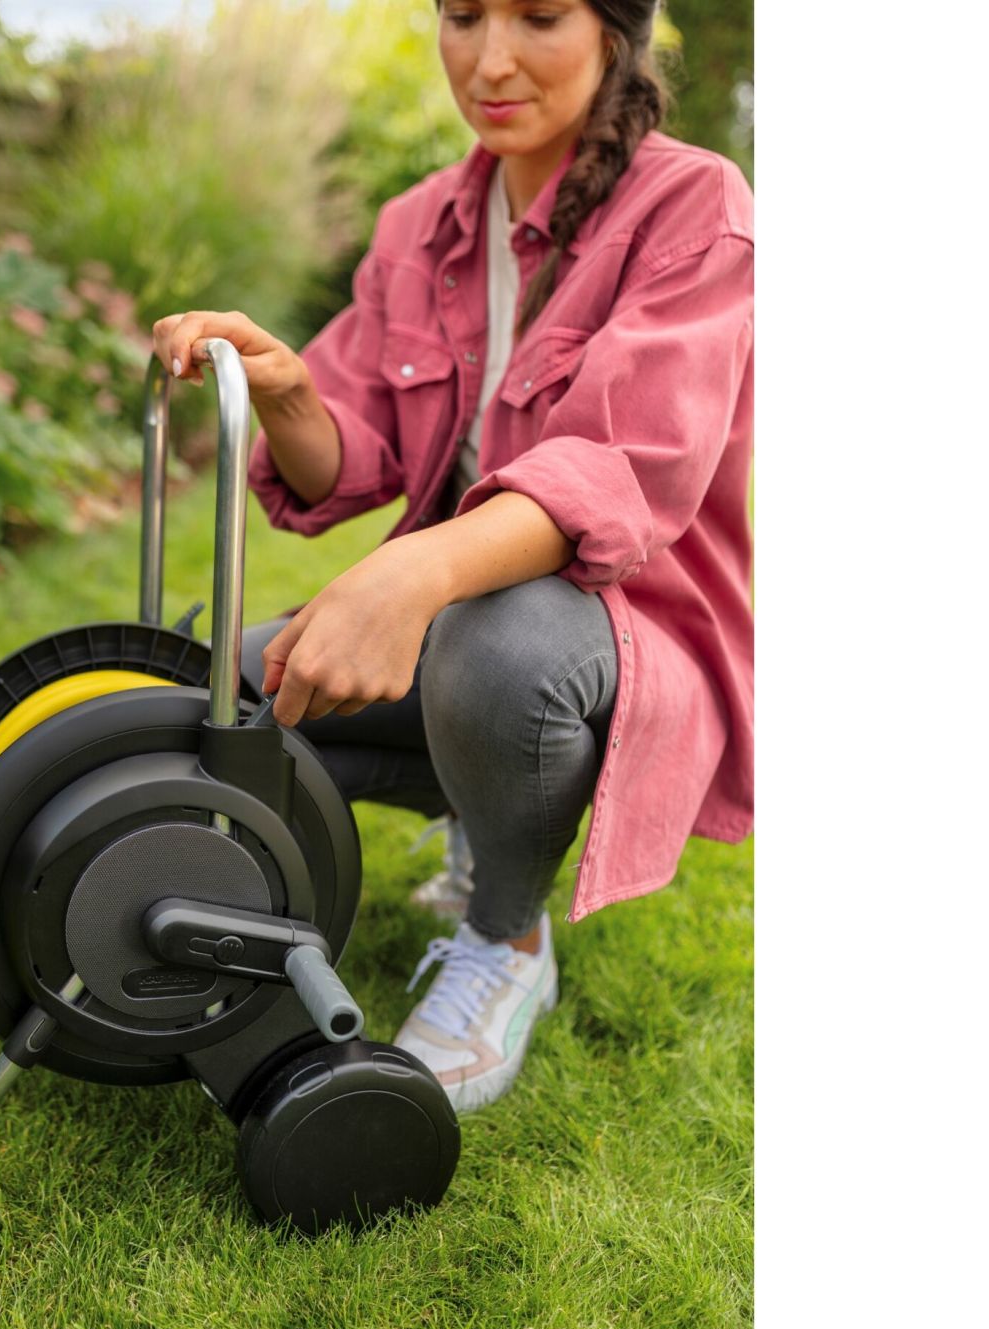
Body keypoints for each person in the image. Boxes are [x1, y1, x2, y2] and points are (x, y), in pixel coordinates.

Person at [150, 0, 753, 1115]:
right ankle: (483, 806)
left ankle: (505, 937)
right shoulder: (419, 226)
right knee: (230, 697)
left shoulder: (693, 205)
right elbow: (345, 465)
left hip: (619, 637)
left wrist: (410, 573)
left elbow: (623, 471)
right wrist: (289, 391)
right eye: (463, 15)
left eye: (538, 16)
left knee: (498, 646)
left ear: (615, 32)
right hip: (460, 618)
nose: (489, 60)